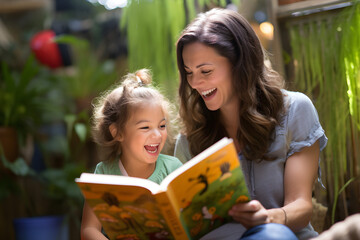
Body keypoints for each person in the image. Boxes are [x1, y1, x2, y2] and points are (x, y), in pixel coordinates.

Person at [174, 8, 327, 240]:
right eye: (189, 72)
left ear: (240, 64)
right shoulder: (188, 140)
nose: (195, 82)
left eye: (205, 70)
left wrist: (268, 218)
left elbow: (301, 206)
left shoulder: (295, 110)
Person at [81, 69, 183, 240]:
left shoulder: (173, 168)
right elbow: (88, 230)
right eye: (145, 127)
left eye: (162, 126)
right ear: (117, 133)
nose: (157, 135)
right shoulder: (104, 174)